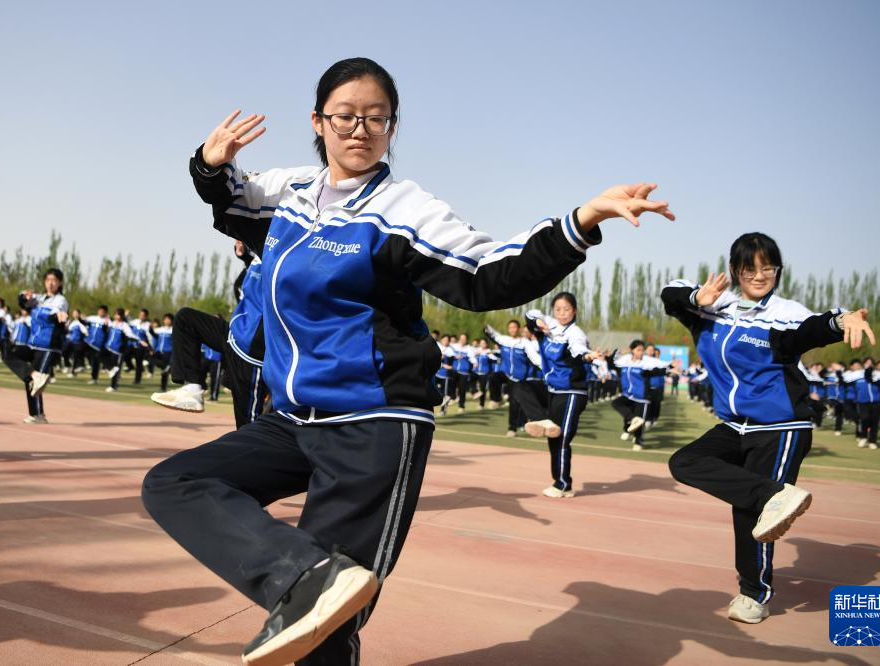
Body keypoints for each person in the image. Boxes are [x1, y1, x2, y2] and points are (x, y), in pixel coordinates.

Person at [140, 57, 673, 666]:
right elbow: (230, 200)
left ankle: (308, 586)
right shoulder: (287, 194)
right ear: (317, 122)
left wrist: (580, 223)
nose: (360, 129)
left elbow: (488, 276)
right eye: (345, 116)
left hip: (373, 423)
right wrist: (208, 164)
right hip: (292, 420)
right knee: (177, 482)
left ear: (392, 127)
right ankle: (301, 576)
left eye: (377, 118)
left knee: (324, 631)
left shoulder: (404, 209)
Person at [662, 232, 875, 625]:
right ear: (734, 270)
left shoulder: (784, 313)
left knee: (750, 514)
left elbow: (812, 328)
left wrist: (840, 320)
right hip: (735, 425)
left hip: (782, 425)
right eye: (750, 268)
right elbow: (670, 294)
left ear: (778, 270)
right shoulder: (712, 308)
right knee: (685, 462)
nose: (759, 276)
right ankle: (775, 494)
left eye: (768, 268)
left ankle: (754, 594)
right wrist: (697, 298)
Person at [151, 243, 269, 426]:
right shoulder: (255, 259)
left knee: (249, 429)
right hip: (234, 334)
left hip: (252, 350)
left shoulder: (280, 254)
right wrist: (243, 251)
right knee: (186, 319)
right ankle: (192, 389)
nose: (238, 242)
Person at [525, 292, 596, 498]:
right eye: (558, 309)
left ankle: (563, 484)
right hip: (554, 389)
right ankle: (561, 482)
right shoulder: (549, 325)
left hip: (572, 391)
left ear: (574, 311)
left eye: (566, 309)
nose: (562, 313)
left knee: (562, 438)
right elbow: (530, 315)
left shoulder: (575, 333)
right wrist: (538, 321)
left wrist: (588, 355)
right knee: (553, 436)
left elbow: (578, 349)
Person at [4, 269, 69, 424]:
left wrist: (59, 315)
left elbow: (57, 313)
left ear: (60, 283)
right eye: (48, 280)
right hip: (33, 344)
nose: (50, 283)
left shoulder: (61, 300)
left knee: (34, 381)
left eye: (54, 280)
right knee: (8, 354)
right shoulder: (39, 299)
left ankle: (37, 415)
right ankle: (34, 376)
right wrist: (24, 296)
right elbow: (23, 301)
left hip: (48, 346)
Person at [609, 340, 668, 451]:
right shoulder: (625, 363)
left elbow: (657, 371)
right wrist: (617, 352)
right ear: (632, 350)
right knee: (616, 403)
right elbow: (612, 363)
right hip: (628, 395)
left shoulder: (645, 364)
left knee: (640, 421)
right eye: (638, 350)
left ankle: (638, 441)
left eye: (642, 350)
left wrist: (670, 369)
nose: (641, 352)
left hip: (642, 398)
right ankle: (631, 421)